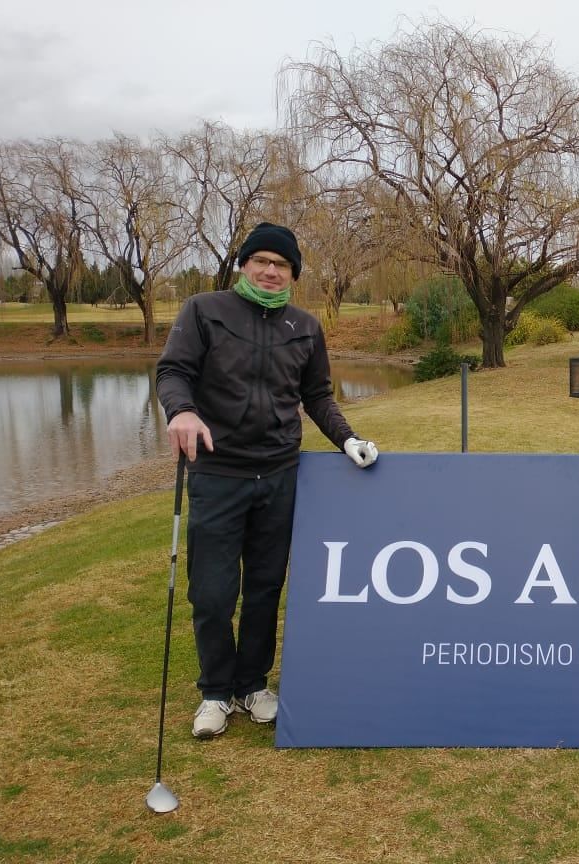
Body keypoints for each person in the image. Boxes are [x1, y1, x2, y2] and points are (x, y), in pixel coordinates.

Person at [157, 222, 380, 739]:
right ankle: (215, 690)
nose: (271, 271)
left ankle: (252, 684)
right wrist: (182, 411)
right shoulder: (204, 311)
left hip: (279, 473)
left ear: (293, 275)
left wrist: (347, 439)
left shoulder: (304, 326)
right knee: (213, 592)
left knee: (264, 587)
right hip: (218, 472)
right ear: (243, 265)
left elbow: (318, 396)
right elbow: (173, 372)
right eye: (261, 261)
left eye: (281, 265)